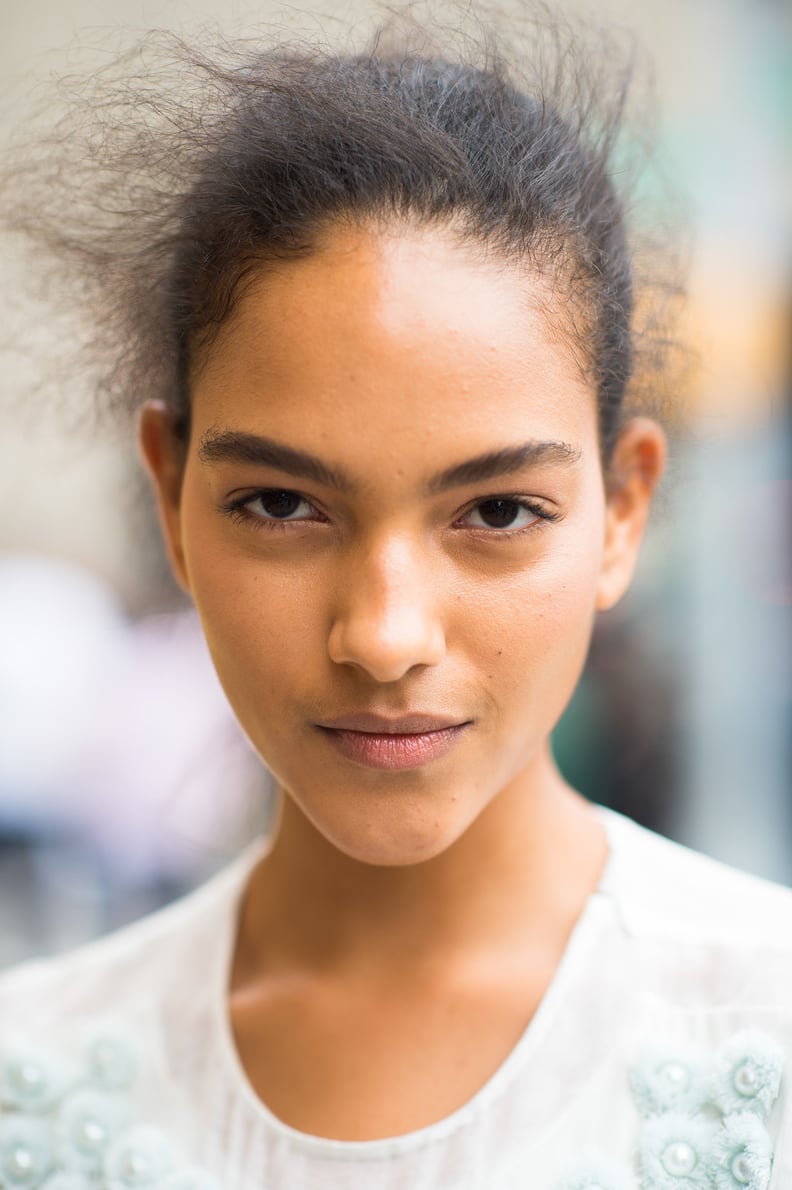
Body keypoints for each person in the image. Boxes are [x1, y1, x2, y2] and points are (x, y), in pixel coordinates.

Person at [1, 11, 791, 1190]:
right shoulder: (35, 1077)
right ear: (171, 497)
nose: (382, 634)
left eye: (500, 511)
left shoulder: (763, 1028)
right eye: (280, 505)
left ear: (622, 508)